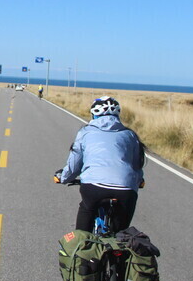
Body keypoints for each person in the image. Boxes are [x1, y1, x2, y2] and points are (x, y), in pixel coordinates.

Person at [54, 96, 145, 233]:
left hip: (94, 187)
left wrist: (63, 177)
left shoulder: (85, 132)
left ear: (93, 114)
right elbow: (136, 165)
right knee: (122, 236)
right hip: (126, 189)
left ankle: (80, 248)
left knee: (84, 224)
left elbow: (74, 165)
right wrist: (138, 180)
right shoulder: (130, 135)